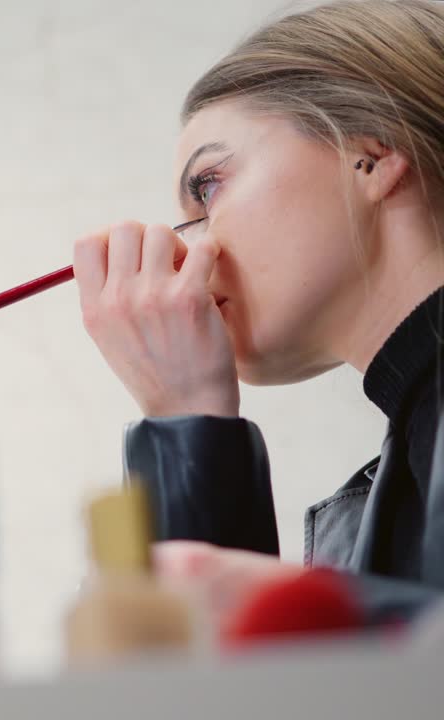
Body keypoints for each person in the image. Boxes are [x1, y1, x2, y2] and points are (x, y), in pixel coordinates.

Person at [72, 0, 444, 622]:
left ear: (374, 155)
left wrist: (286, 605)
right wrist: (189, 419)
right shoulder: (397, 479)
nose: (190, 249)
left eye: (209, 185)